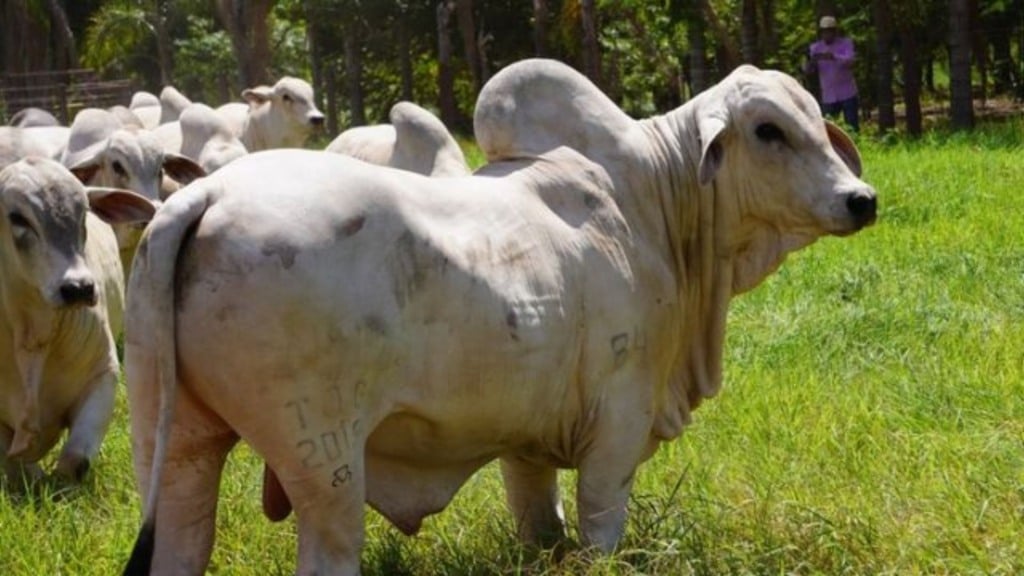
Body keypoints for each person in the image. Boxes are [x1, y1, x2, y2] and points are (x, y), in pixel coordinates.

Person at [805, 15, 859, 131]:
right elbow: (808, 71)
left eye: (829, 31)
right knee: (829, 128)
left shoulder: (846, 44)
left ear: (835, 31)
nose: (827, 35)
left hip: (847, 93)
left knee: (852, 126)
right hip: (828, 95)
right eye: (824, 32)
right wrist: (812, 62)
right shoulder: (815, 48)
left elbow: (851, 61)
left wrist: (834, 57)